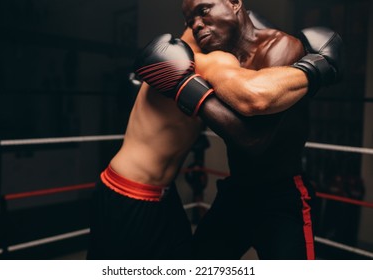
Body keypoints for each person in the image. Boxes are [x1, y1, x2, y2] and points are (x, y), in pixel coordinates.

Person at [86, 0, 342, 260]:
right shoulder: (202, 58)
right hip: (232, 191)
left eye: (204, 10)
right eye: (189, 21)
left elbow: (256, 128)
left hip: (281, 195)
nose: (197, 25)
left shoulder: (274, 48)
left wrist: (314, 69)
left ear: (234, 3)